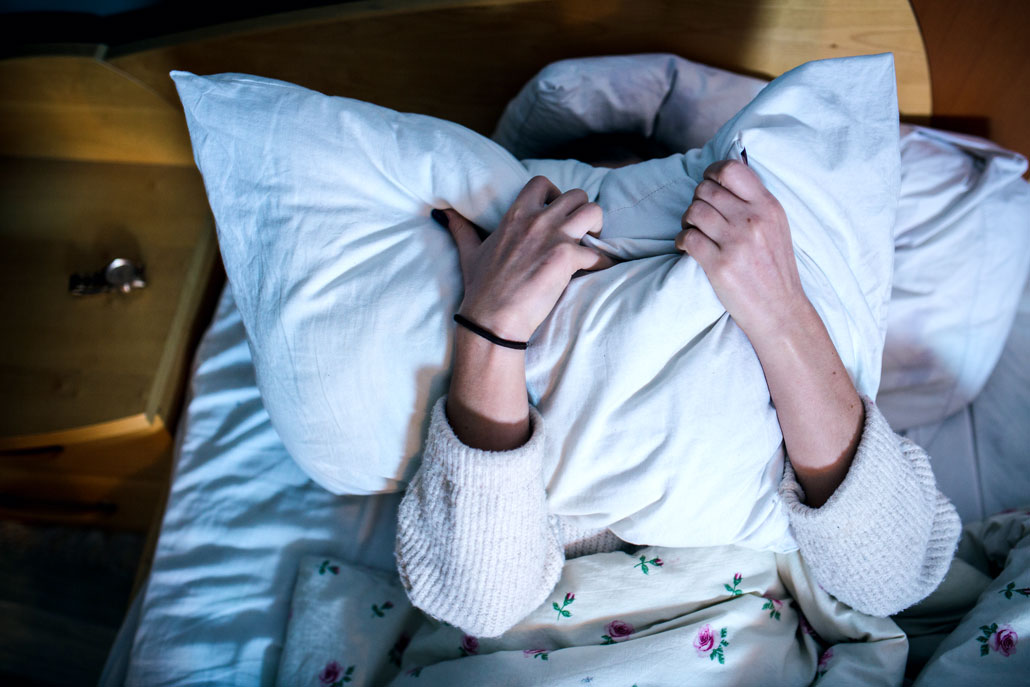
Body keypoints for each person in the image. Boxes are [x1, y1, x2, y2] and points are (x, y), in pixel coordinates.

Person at [395, 159, 961, 640]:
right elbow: (478, 603)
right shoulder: (526, 428)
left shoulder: (756, 404)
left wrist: (780, 307)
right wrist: (492, 327)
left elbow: (893, 576)